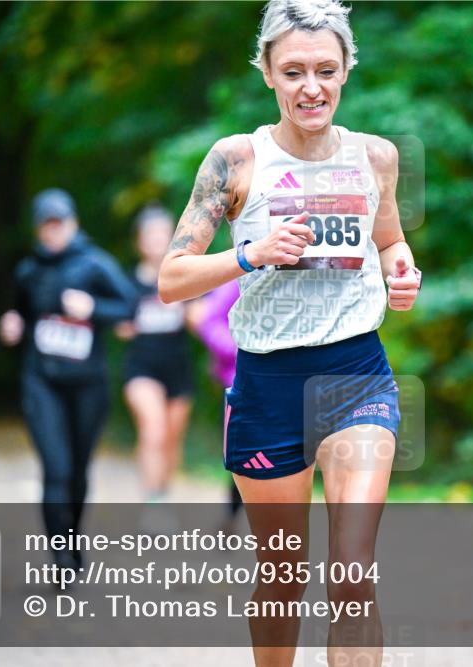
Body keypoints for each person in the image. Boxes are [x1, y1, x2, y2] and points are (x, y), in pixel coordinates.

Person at [157, 1, 421, 664]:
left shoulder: (376, 159)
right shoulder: (236, 161)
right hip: (267, 384)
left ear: (346, 71)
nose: (312, 86)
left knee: (353, 572)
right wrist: (252, 253)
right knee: (281, 576)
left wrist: (401, 267)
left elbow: (389, 239)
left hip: (357, 375)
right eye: (295, 70)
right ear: (268, 74)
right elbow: (172, 278)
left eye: (326, 70)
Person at [0, 188, 138, 573]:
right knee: (55, 469)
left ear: (73, 224)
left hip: (88, 384)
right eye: (46, 225)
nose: (53, 232)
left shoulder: (95, 265)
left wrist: (93, 308)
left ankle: (73, 536)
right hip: (42, 382)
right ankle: (60, 557)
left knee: (77, 472)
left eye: (59, 224)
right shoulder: (28, 271)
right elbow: (20, 314)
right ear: (38, 229)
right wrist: (13, 324)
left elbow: (130, 306)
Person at [115, 205, 195, 511]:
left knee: (171, 440)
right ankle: (152, 502)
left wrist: (187, 311)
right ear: (139, 241)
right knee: (153, 429)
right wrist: (125, 323)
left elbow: (201, 320)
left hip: (178, 367)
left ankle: (162, 492)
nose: (156, 241)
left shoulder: (184, 277)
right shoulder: (127, 283)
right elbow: (119, 324)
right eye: (150, 235)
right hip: (141, 368)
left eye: (163, 234)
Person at [184, 280, 242, 529]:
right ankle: (232, 515)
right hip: (242, 381)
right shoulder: (243, 274)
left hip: (300, 379)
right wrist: (242, 350)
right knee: (241, 455)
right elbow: (210, 320)